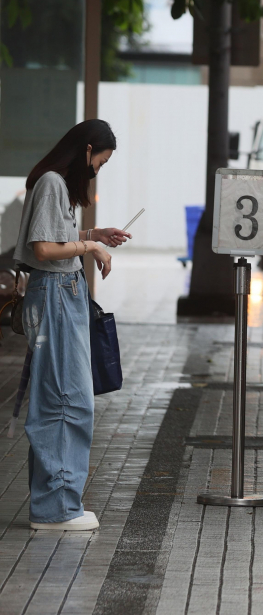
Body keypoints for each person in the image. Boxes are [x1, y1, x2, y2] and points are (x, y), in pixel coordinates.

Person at [15, 119, 131, 531]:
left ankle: (57, 503)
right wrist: (90, 246)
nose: (98, 169)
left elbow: (52, 238)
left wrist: (91, 233)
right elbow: (43, 248)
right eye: (100, 161)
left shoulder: (54, 183)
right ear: (86, 150)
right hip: (55, 295)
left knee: (62, 398)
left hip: (60, 294)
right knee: (66, 401)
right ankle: (56, 508)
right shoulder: (51, 182)